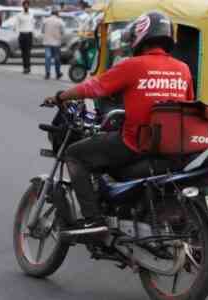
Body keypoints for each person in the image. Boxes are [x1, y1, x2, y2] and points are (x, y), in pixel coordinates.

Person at [43, 12, 195, 234]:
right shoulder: (183, 69)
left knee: (75, 155)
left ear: (141, 35)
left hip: (135, 143)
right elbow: (189, 102)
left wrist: (60, 96)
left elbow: (93, 87)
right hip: (171, 146)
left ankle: (93, 221)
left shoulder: (132, 65)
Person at [42, 8, 64, 80]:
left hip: (47, 42)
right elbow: (63, 31)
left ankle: (47, 73)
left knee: (47, 58)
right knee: (57, 58)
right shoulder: (60, 21)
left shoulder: (45, 20)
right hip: (56, 43)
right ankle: (58, 73)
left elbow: (42, 31)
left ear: (51, 13)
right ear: (57, 14)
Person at [14, 0, 34, 74]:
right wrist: (18, 35)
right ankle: (25, 67)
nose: (26, 6)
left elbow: (33, 24)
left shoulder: (31, 14)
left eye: (27, 5)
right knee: (23, 53)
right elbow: (17, 26)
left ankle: (28, 67)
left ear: (29, 6)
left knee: (28, 52)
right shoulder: (19, 15)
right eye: (25, 5)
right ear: (23, 6)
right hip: (22, 35)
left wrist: (33, 34)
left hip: (29, 34)